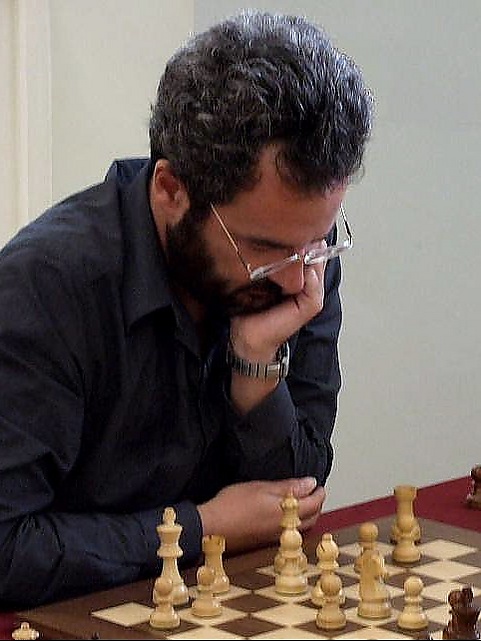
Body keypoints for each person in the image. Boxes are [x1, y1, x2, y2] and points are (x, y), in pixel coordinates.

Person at [0, 10, 373, 609]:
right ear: (171, 189)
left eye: (317, 241)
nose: (298, 276)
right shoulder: (44, 289)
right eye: (264, 250)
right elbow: (6, 548)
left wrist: (256, 369)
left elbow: (294, 497)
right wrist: (200, 527)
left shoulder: (300, 260)